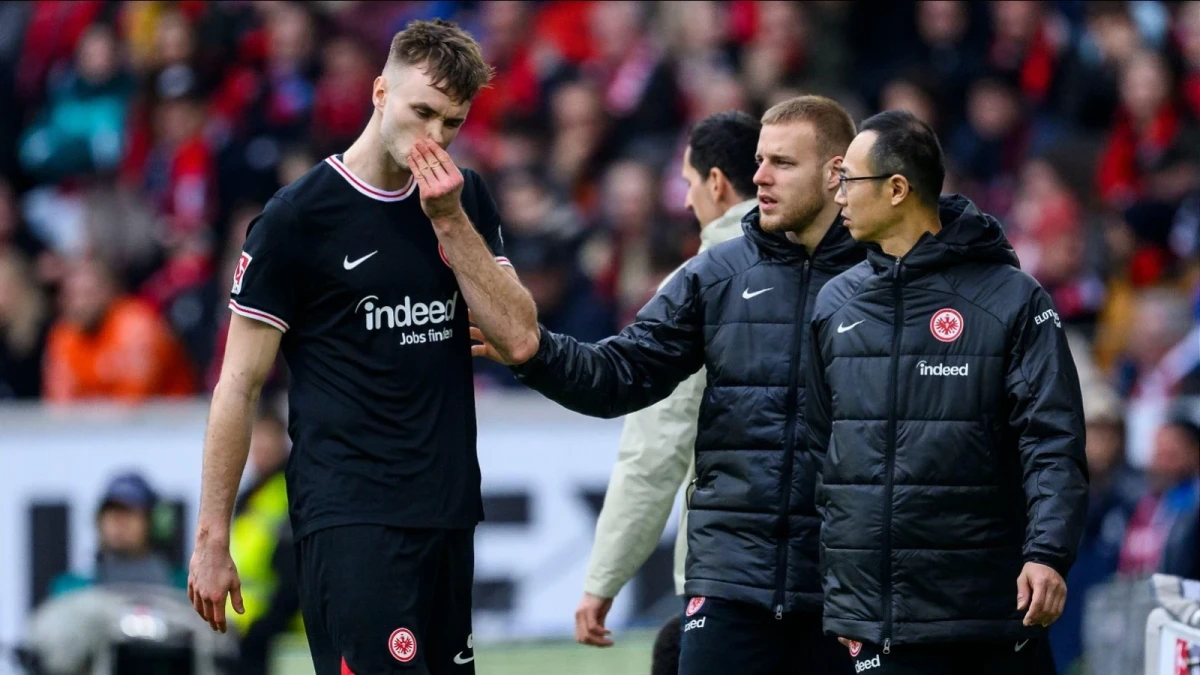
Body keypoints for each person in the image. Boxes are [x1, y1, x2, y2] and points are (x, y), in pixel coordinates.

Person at [187, 19, 538, 675]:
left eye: (452, 123)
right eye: (423, 112)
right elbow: (236, 384)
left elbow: (520, 335)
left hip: (448, 508)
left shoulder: (463, 200)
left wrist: (451, 221)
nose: (435, 137)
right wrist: (212, 536)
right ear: (380, 92)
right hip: (351, 516)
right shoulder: (298, 220)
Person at [478, 95, 863, 675]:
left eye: (782, 163)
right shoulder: (713, 277)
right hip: (730, 582)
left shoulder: (887, 279)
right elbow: (618, 375)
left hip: (846, 589)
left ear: (837, 173)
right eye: (758, 160)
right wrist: (536, 351)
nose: (758, 176)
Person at [806, 109, 1089, 675]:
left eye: (848, 181)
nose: (836, 196)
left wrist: (1047, 555)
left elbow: (1052, 442)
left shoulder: (1013, 300)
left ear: (896, 189)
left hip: (993, 614)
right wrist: (845, 594)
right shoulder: (834, 303)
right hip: (880, 622)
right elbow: (825, 458)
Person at [574, 111, 761, 672]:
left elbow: (655, 449)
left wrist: (603, 579)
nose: (685, 200)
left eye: (688, 182)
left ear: (718, 183)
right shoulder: (850, 273)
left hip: (728, 570)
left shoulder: (696, 284)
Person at [228, 405, 302, 675]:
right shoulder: (248, 496)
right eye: (255, 438)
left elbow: (291, 578)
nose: (261, 447)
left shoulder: (288, 494)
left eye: (268, 438)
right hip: (241, 631)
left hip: (277, 637)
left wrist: (264, 629)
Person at [51, 472, 186, 596]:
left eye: (129, 513)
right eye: (111, 514)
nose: (118, 523)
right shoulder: (72, 590)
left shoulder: (184, 587)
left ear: (153, 524)